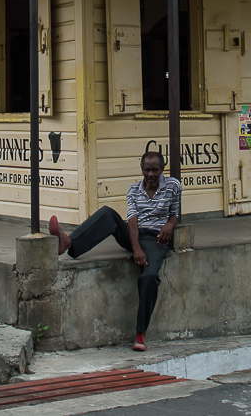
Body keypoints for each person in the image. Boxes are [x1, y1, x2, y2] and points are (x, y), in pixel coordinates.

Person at [48, 150, 181, 352]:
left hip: (156, 240)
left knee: (150, 276)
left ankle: (140, 334)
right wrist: (136, 249)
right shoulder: (134, 190)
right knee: (107, 214)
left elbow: (175, 214)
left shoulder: (173, 186)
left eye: (155, 170)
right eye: (147, 170)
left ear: (162, 169)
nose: (151, 174)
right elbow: (132, 222)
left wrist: (170, 225)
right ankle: (66, 243)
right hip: (135, 235)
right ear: (142, 170)